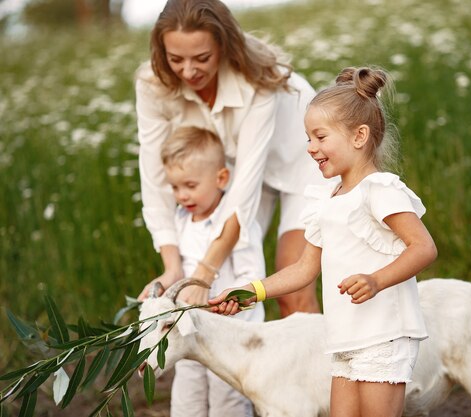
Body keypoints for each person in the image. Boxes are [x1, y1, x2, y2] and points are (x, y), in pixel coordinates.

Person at [209, 66, 438, 417]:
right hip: (343, 337)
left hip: (383, 334)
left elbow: (423, 248)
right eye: (308, 138)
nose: (311, 148)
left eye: (320, 137)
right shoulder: (326, 199)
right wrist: (250, 292)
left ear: (359, 136)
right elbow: (303, 269)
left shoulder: (379, 190)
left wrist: (377, 280)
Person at [135, 0, 324, 316]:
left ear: (223, 46)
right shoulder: (152, 85)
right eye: (176, 59)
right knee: (223, 285)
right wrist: (173, 269)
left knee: (291, 287)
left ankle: (321, 365)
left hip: (305, 164)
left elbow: (244, 191)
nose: (188, 71)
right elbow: (155, 180)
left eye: (202, 58)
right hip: (235, 171)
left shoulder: (259, 77)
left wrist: (204, 272)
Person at [160, 125, 264, 417]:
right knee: (186, 394)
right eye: (175, 187)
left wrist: (232, 302)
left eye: (190, 186)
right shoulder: (181, 220)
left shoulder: (235, 224)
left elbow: (251, 275)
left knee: (227, 399)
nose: (182, 195)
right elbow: (181, 271)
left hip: (230, 334)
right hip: (190, 328)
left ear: (221, 178)